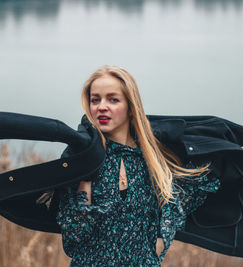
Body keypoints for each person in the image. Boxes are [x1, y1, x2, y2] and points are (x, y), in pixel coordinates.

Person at [55, 65, 221, 266]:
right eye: (95, 100)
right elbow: (74, 238)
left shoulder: (153, 161)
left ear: (131, 107)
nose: (102, 107)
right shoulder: (79, 157)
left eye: (113, 99)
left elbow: (190, 199)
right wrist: (85, 174)